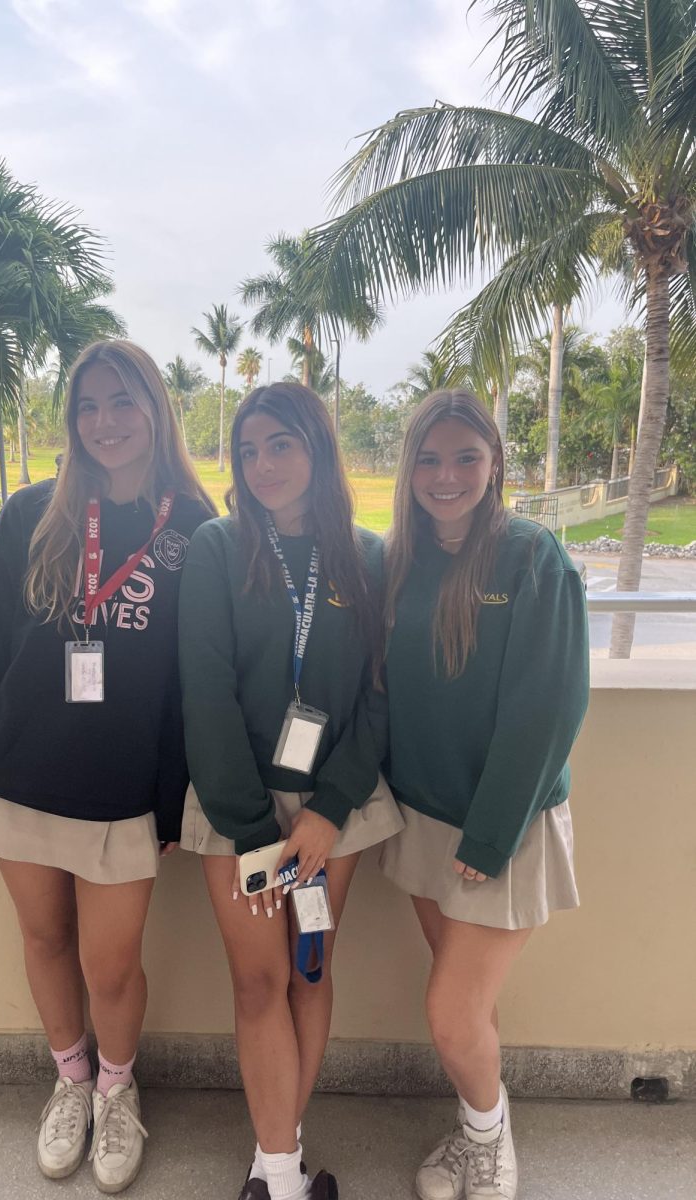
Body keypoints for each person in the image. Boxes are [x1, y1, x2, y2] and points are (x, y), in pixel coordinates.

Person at [0, 340, 215, 1191]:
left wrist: (172, 802)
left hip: (123, 794)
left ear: (156, 410)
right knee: (44, 938)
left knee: (111, 965)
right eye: (88, 406)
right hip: (20, 778)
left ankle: (120, 1093)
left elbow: (194, 685)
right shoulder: (31, 515)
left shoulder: (195, 528)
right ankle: (72, 1081)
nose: (106, 422)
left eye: (123, 402)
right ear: (71, 420)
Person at [178, 383, 403, 1200]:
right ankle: (280, 1174)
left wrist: (328, 813)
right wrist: (251, 833)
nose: (264, 464)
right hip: (234, 802)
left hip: (330, 808)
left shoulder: (368, 556)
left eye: (282, 444)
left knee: (309, 969)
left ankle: (278, 1156)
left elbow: (382, 694)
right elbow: (204, 692)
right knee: (257, 981)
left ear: (318, 447)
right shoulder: (216, 547)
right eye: (248, 449)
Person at [378, 390, 589, 1200]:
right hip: (422, 819)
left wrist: (489, 837)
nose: (447, 475)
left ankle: (489, 1144)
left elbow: (549, 709)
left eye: (467, 456)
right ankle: (480, 1130)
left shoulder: (535, 559)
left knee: (448, 1013)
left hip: (502, 827)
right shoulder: (397, 559)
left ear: (496, 462)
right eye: (430, 459)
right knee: (466, 1005)